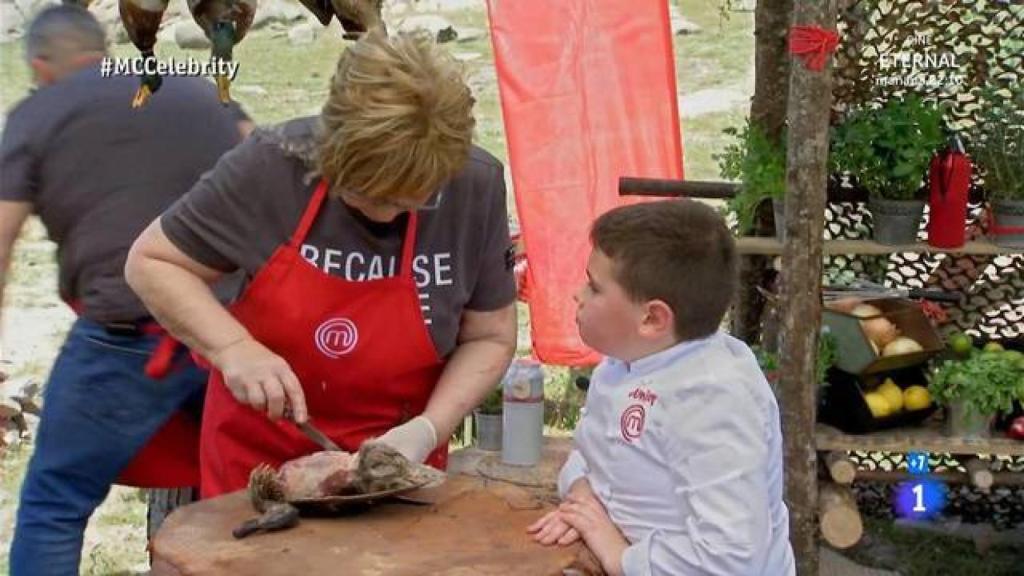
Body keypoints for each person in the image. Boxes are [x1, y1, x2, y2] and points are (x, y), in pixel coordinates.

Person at [124, 29, 518, 498]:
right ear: (333, 153)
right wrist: (233, 349)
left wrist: (429, 430)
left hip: (396, 476)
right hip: (257, 468)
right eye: (374, 196)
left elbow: (491, 335)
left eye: (413, 200)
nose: (391, 214)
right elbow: (152, 262)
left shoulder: (473, 184)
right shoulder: (271, 166)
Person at [0, 5, 251, 574]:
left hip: (125, 340)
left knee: (54, 501)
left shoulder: (36, 113)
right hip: (233, 334)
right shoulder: (194, 89)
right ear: (105, 52)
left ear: (41, 66)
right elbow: (265, 166)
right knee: (248, 494)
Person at [528, 200, 795, 576]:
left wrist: (616, 553)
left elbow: (731, 558)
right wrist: (581, 496)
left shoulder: (713, 401)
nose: (577, 294)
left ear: (652, 318)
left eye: (594, 286)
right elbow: (591, 454)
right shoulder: (624, 361)